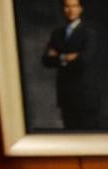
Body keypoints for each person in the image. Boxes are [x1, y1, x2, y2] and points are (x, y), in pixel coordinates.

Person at [41, 0, 99, 130]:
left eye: (74, 6)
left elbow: (83, 61)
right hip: (65, 95)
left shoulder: (89, 32)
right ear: (63, 10)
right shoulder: (57, 33)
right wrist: (66, 57)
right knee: (70, 133)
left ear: (80, 8)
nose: (71, 10)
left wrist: (58, 56)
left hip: (84, 95)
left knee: (88, 134)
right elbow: (46, 60)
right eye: (67, 7)